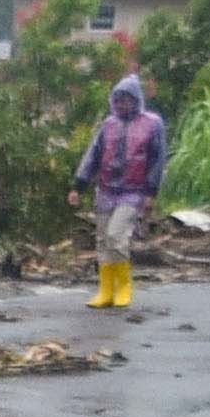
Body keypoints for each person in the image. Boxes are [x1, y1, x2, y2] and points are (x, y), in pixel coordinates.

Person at [74, 73, 168, 311]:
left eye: (126, 99)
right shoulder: (108, 124)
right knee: (103, 240)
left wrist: (151, 193)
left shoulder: (152, 124)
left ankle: (124, 287)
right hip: (106, 190)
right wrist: (79, 186)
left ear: (136, 100)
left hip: (134, 191)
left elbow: (157, 160)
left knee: (117, 236)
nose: (121, 104)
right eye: (117, 100)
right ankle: (106, 290)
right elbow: (93, 155)